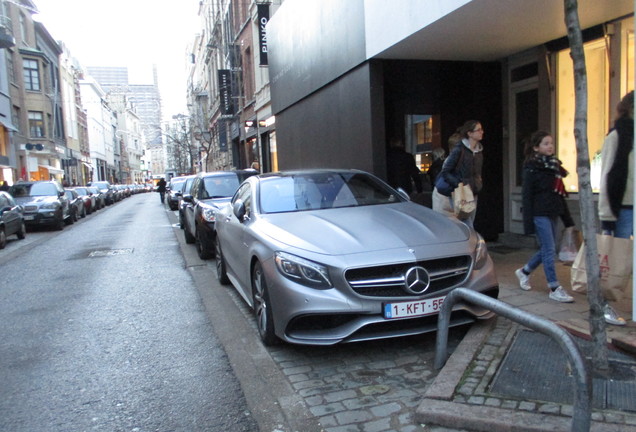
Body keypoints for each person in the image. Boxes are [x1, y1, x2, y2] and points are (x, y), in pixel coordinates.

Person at [515, 130, 575, 303]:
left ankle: (524, 271)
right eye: (546, 144)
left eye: (551, 143)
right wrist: (528, 223)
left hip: (553, 212)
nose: (550, 146)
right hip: (539, 213)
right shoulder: (531, 168)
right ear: (536, 147)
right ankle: (554, 287)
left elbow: (559, 194)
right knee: (549, 250)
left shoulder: (555, 167)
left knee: (548, 249)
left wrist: (568, 220)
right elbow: (527, 196)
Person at [597, 90, 634, 325]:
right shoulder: (618, 135)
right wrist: (607, 214)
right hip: (623, 206)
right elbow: (608, 175)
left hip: (628, 204)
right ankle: (604, 304)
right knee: (614, 259)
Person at [433, 121, 483, 227]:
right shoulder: (458, 157)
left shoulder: (474, 155)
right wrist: (461, 185)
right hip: (454, 195)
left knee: (461, 227)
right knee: (462, 227)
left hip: (462, 195)